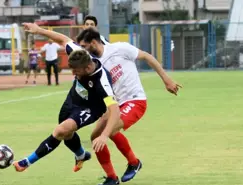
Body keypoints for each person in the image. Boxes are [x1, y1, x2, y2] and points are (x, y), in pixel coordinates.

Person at [21, 23, 182, 185]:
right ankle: (112, 178)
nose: (80, 48)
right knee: (95, 137)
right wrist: (39, 30)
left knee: (107, 132)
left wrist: (166, 80)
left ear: (93, 43)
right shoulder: (89, 59)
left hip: (134, 100)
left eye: (83, 45)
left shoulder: (120, 49)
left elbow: (147, 56)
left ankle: (134, 163)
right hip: (115, 103)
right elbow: (64, 40)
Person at [13, 47, 121, 177]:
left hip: (90, 108)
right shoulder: (82, 56)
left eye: (76, 71)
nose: (73, 74)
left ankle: (26, 162)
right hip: (71, 101)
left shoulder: (102, 82)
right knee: (67, 134)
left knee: (60, 131)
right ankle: (81, 155)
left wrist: (104, 135)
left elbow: (114, 109)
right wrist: (39, 30)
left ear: (87, 68)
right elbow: (65, 41)